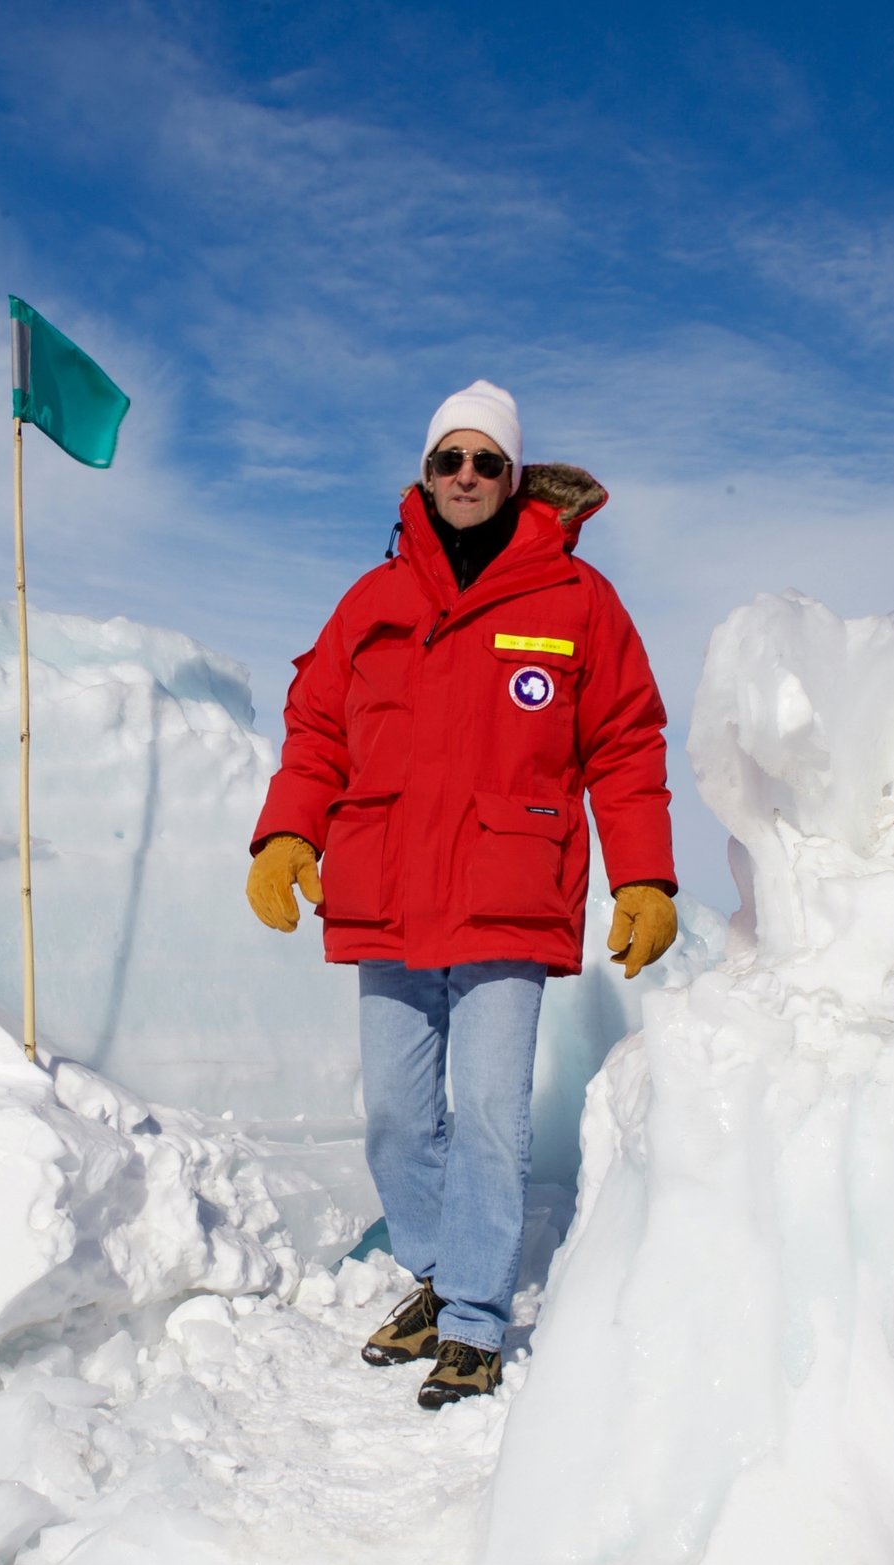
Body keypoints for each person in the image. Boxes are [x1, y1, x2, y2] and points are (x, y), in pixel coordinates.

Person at [244, 380, 679, 1408]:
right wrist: (287, 828)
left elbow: (624, 743)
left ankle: (477, 1317)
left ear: (514, 474)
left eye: (488, 461)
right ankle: (439, 1275)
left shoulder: (577, 603)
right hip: (386, 886)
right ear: (427, 473)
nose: (468, 477)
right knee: (398, 1117)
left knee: (488, 1109)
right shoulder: (371, 600)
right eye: (451, 460)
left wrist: (647, 872)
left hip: (506, 887)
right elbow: (318, 729)